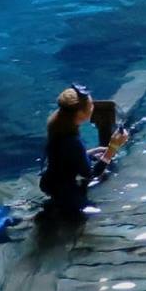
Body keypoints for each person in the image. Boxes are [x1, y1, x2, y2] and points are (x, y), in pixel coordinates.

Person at [39, 84, 128, 217]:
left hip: (50, 183)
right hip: (66, 193)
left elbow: (64, 157)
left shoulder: (56, 127)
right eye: (91, 105)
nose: (93, 108)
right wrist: (113, 148)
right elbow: (91, 173)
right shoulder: (73, 141)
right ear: (80, 113)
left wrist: (91, 152)